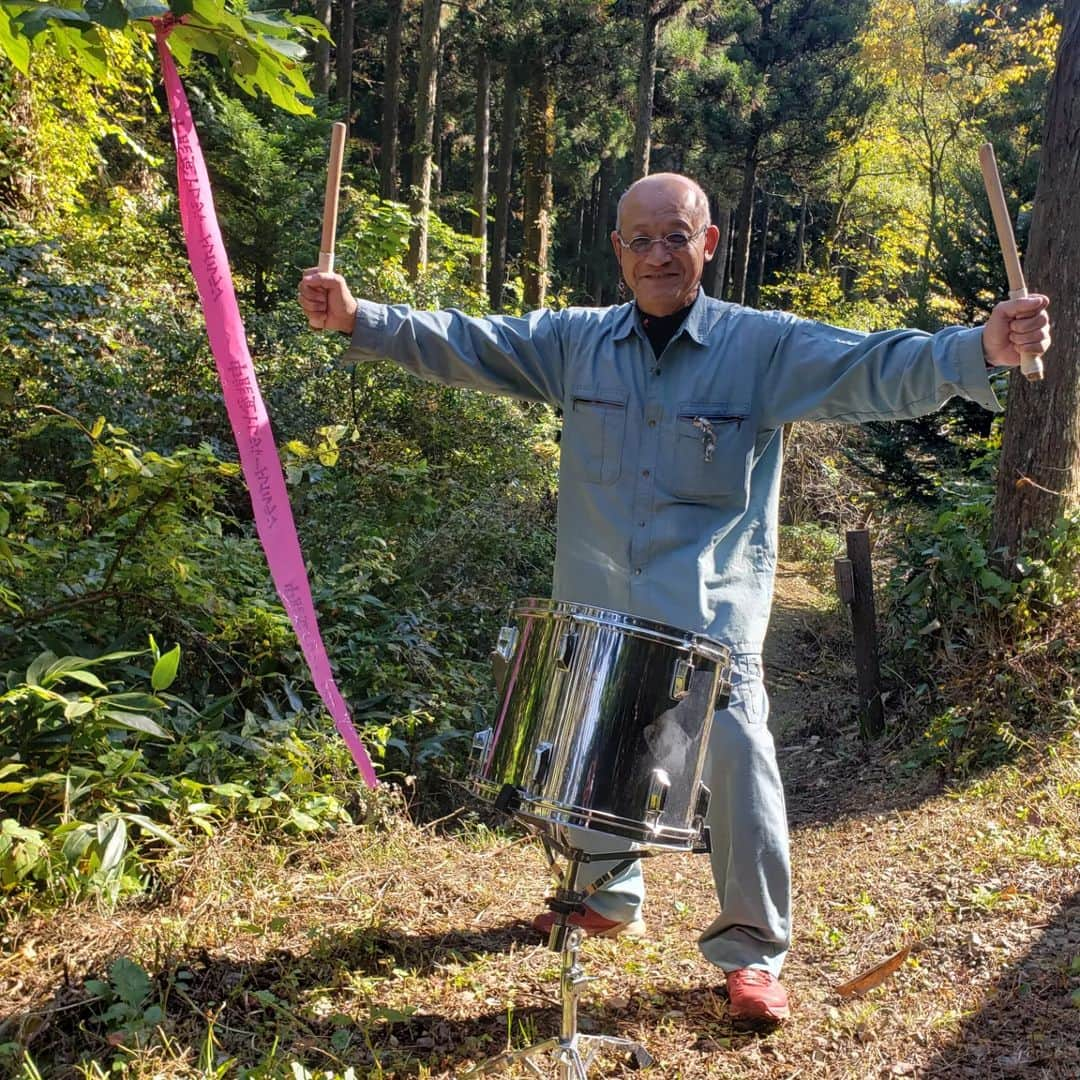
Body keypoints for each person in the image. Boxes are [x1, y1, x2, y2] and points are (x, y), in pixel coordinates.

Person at [298, 172, 1052, 1024]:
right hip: (599, 606)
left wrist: (978, 348)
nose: (660, 253)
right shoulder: (573, 344)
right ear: (618, 252)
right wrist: (361, 318)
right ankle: (608, 895)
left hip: (711, 618)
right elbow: (473, 341)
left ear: (709, 243)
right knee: (594, 742)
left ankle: (752, 953)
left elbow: (870, 367)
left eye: (677, 235)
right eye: (641, 239)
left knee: (736, 757)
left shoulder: (760, 349)